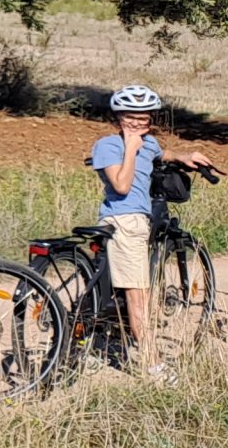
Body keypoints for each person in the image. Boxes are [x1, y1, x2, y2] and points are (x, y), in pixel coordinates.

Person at [91, 84, 216, 372]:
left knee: (124, 287)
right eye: (129, 117)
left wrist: (183, 155)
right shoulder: (109, 145)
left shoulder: (148, 143)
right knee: (139, 297)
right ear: (118, 117)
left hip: (139, 219)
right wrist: (130, 149)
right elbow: (121, 186)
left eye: (143, 118)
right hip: (125, 220)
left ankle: (103, 333)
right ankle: (154, 367)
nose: (136, 123)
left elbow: (161, 153)